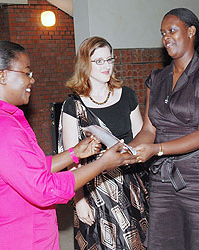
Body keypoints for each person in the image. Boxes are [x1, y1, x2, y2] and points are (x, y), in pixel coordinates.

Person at [0, 36, 138, 250]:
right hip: (7, 238)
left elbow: (28, 169)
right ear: (1, 76)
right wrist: (102, 163)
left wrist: (74, 153)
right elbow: (45, 189)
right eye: (27, 73)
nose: (32, 80)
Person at [129, 8, 199, 250]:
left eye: (172, 30)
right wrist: (127, 150)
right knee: (166, 242)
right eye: (162, 33)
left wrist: (156, 149)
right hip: (164, 180)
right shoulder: (157, 79)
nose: (166, 37)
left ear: (191, 32)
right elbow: (149, 128)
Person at [58, 36, 149, 249]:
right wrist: (79, 201)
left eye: (109, 59)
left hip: (130, 182)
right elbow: (72, 159)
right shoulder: (73, 105)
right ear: (85, 64)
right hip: (93, 186)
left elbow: (141, 137)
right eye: (99, 61)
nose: (106, 66)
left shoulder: (127, 95)